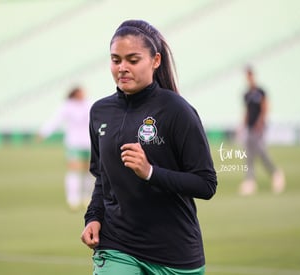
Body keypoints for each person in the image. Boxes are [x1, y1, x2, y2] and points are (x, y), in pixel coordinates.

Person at [80, 19, 217, 275]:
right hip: (116, 245)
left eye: (133, 60)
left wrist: (150, 172)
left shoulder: (177, 110)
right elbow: (102, 178)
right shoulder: (100, 112)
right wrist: (93, 217)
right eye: (116, 60)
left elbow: (206, 184)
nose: (122, 68)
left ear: (155, 61)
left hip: (174, 253)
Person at [39, 86, 93, 210]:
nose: (83, 94)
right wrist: (44, 132)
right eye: (81, 92)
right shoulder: (67, 106)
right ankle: (72, 199)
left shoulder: (89, 104)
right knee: (74, 170)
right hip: (74, 143)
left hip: (89, 143)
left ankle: (87, 197)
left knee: (88, 171)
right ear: (75, 94)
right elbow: (56, 120)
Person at [238, 66, 285, 195]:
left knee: (261, 152)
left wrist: (261, 121)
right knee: (249, 155)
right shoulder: (246, 94)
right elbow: (247, 111)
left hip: (259, 127)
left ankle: (275, 173)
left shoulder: (260, 91)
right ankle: (250, 181)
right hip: (250, 127)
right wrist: (242, 125)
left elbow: (265, 107)